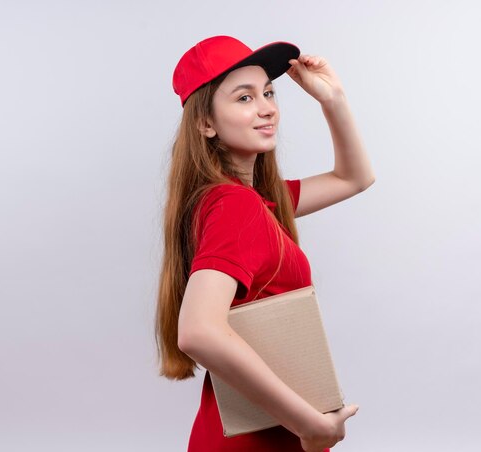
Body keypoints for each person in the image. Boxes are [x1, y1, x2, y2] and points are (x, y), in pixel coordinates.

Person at [155, 35, 375, 451]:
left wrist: (333, 98)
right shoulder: (237, 207)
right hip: (260, 439)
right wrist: (311, 424)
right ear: (206, 123)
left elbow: (354, 178)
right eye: (244, 97)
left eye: (268, 92)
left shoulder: (256, 201)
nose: (267, 107)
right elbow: (198, 331)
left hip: (253, 429)